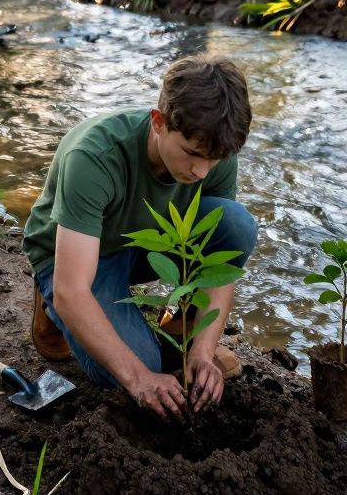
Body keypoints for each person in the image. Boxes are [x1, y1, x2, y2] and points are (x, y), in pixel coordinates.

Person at [23, 54, 256, 419]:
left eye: (214, 160)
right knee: (134, 370)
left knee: (236, 225)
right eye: (193, 155)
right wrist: (140, 378)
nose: (201, 171)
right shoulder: (94, 156)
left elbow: (218, 263)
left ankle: (179, 332)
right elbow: (74, 289)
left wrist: (203, 352)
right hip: (78, 256)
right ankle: (51, 309)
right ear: (158, 122)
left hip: (146, 244)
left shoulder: (212, 148)